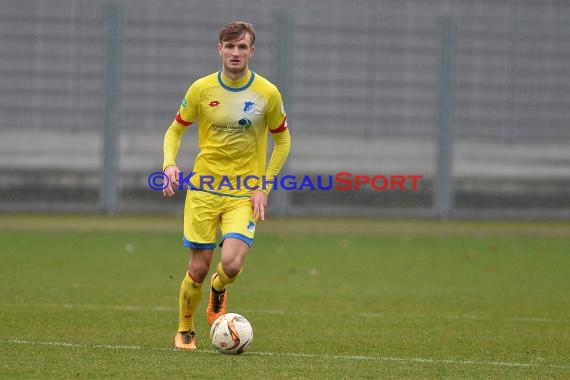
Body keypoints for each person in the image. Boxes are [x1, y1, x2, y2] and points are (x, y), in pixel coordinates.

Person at [162, 21, 291, 350]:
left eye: (242, 47)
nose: (236, 53)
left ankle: (219, 291)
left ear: (252, 51)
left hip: (243, 192)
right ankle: (185, 329)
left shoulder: (267, 93)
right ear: (220, 49)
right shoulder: (202, 89)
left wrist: (264, 186)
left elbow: (283, 141)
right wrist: (170, 164)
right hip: (204, 189)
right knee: (199, 267)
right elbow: (175, 130)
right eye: (229, 47)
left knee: (232, 263)